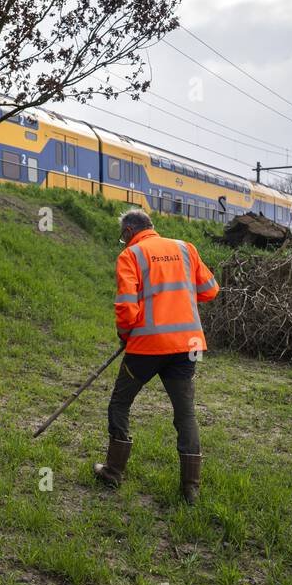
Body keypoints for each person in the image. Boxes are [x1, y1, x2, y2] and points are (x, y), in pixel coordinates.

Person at [95, 209, 219, 503]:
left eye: (122, 237)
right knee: (185, 413)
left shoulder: (131, 255)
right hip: (186, 346)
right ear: (151, 226)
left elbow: (126, 307)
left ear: (128, 232)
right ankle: (191, 489)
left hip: (146, 347)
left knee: (120, 403)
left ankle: (113, 472)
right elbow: (210, 290)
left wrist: (125, 335)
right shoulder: (185, 248)